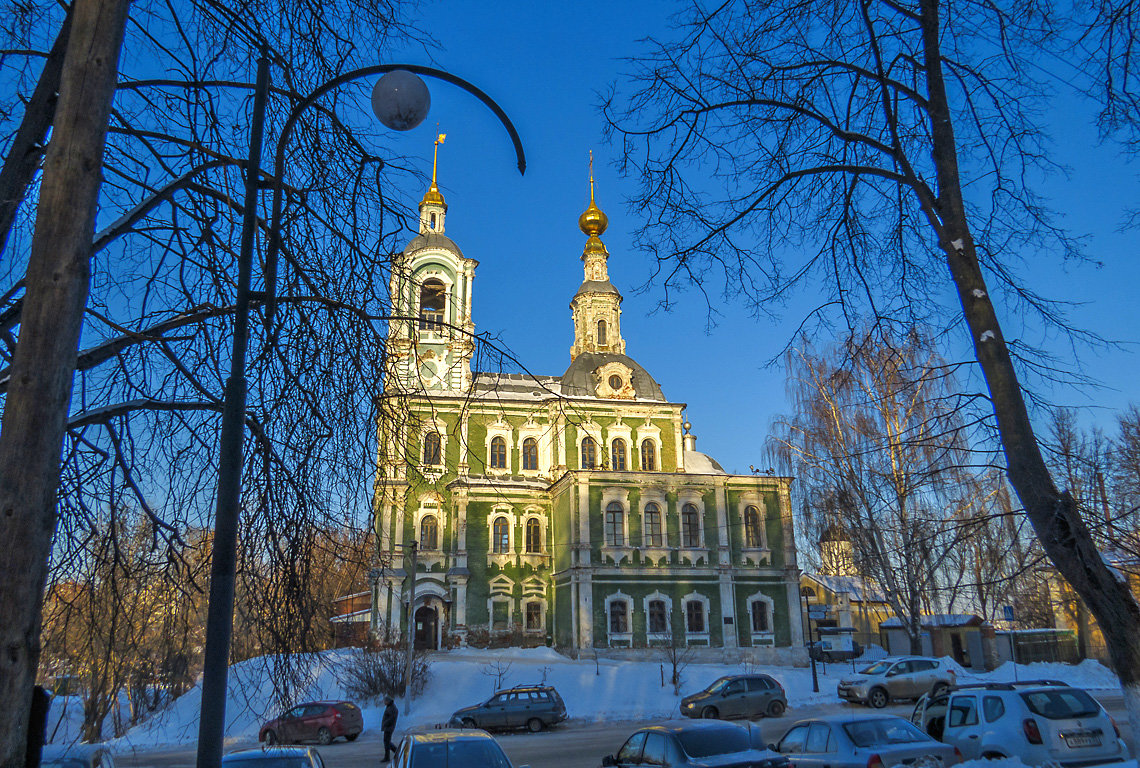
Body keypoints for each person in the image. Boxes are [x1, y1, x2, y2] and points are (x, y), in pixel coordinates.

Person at [381, 696, 399, 762]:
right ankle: (396, 752)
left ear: (388, 701)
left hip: (389, 727)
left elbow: (392, 718)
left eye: (385, 701)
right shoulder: (390, 707)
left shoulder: (392, 708)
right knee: (387, 742)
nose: (384, 702)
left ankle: (395, 753)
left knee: (387, 742)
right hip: (388, 727)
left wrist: (386, 723)